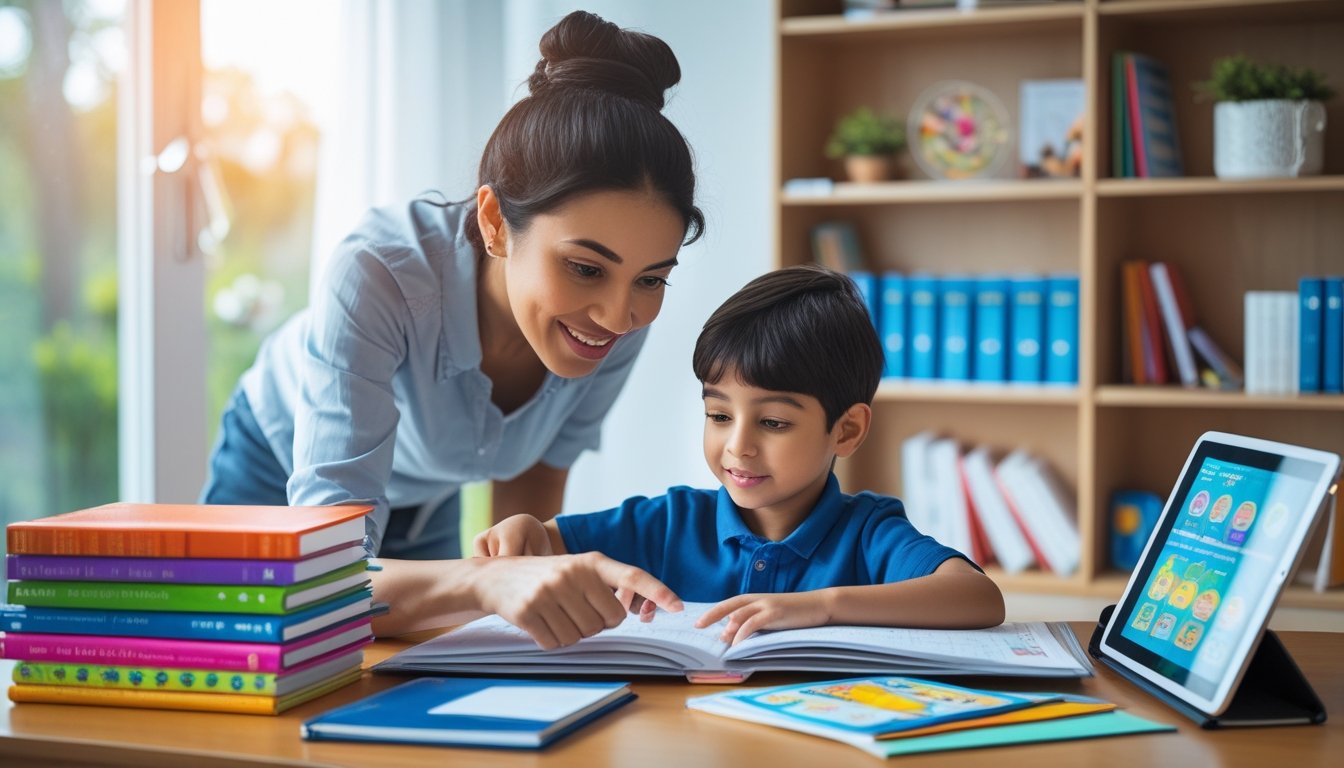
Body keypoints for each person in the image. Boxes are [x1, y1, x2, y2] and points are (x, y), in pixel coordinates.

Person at [200, 11, 697, 643]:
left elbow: (534, 486)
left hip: (424, 487)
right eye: (583, 268)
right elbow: (326, 578)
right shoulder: (378, 272)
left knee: (409, 685)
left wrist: (524, 574)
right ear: (494, 222)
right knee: (267, 655)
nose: (617, 316)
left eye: (651, 278)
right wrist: (485, 582)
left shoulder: (617, 318)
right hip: (282, 472)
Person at [475, 265, 1006, 645]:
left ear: (845, 431)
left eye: (773, 422)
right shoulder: (671, 522)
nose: (738, 446)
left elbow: (978, 598)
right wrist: (527, 531)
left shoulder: (868, 532)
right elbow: (547, 543)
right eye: (720, 416)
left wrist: (823, 606)